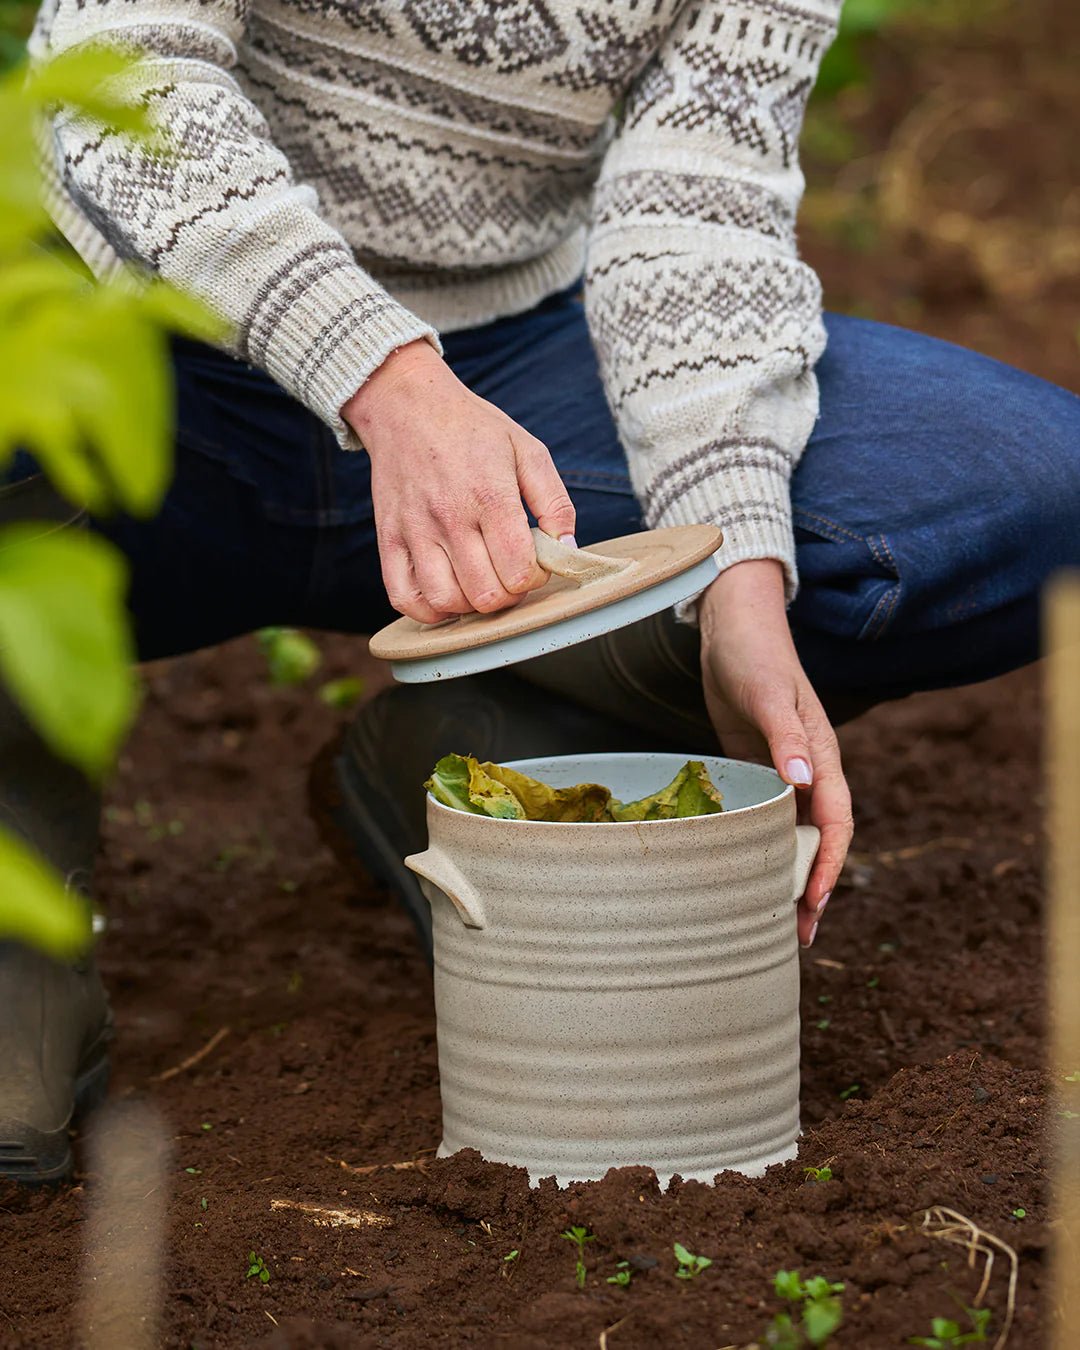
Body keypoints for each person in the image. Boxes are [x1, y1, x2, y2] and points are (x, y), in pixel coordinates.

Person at [1, 0, 1077, 1182]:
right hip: (131, 342)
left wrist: (738, 578)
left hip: (512, 366)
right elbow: (123, 71)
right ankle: (20, 919)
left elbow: (700, 203)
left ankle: (497, 747)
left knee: (1028, 486)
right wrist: (379, 372)